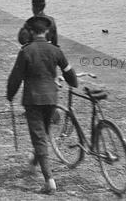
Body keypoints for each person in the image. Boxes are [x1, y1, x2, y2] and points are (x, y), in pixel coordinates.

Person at [6, 15, 78, 194]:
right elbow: (70, 74)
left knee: (39, 138)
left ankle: (49, 181)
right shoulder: (55, 50)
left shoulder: (26, 51)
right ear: (46, 32)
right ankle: (33, 161)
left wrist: (10, 95)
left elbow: (16, 77)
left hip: (33, 100)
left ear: (31, 32)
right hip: (51, 99)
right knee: (43, 134)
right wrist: (74, 83)